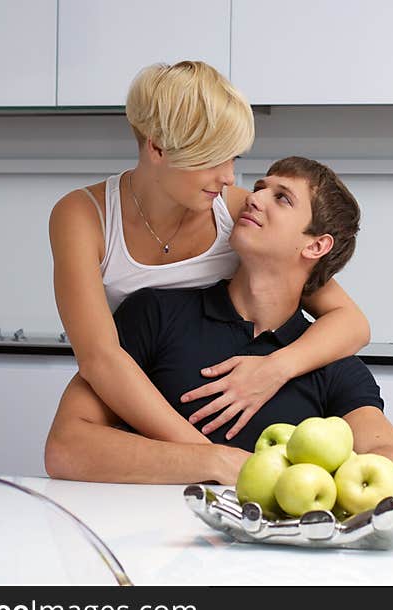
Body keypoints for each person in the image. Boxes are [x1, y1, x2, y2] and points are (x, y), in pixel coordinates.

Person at [48, 61, 370, 449]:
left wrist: (273, 370)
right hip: (140, 393)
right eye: (212, 158)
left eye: (233, 158)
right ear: (157, 147)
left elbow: (351, 322)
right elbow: (101, 359)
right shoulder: (84, 216)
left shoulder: (237, 212)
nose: (230, 177)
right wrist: (207, 457)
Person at [45, 156, 393, 489]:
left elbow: (391, 464)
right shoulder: (155, 314)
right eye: (260, 188)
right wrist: (217, 462)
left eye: (282, 198)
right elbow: (66, 448)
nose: (253, 198)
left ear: (316, 246)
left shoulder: (332, 363)